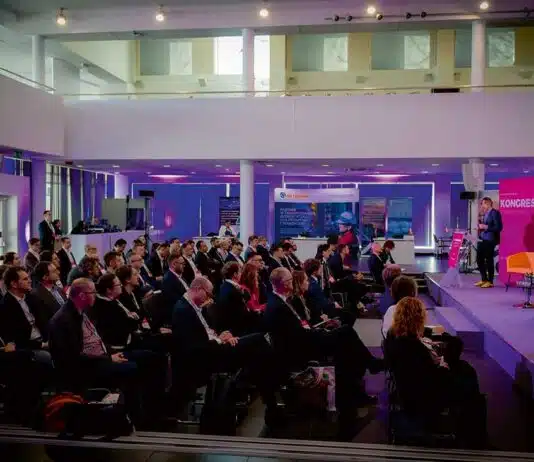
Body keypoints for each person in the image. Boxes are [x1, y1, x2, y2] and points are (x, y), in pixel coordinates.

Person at [264, 268, 384, 439]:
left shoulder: (280, 301)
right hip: (301, 351)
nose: (293, 283)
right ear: (284, 283)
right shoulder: (277, 307)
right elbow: (296, 337)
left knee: (346, 344)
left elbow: (298, 330)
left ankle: (355, 395)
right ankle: (368, 369)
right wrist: (318, 332)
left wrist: (317, 329)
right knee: (345, 334)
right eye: (290, 280)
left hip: (305, 341)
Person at [171, 276, 280, 424]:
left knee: (259, 348)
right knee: (259, 344)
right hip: (206, 357)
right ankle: (269, 399)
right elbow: (193, 347)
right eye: (208, 294)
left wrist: (221, 336)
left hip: (215, 347)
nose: (209, 298)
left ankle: (266, 399)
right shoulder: (183, 311)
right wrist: (220, 341)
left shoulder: (193, 307)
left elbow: (207, 333)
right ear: (198, 289)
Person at [383, 297, 483, 446]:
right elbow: (430, 379)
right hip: (422, 397)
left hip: (410, 390)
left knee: (464, 368)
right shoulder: (413, 347)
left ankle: (469, 428)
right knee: (468, 377)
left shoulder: (394, 338)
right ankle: (473, 434)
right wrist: (442, 366)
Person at [476, 197, 503, 288]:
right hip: (482, 239)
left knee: (489, 260)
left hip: (490, 240)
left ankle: (490, 281)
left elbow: (499, 227)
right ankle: (484, 279)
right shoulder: (485, 213)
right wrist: (480, 227)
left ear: (488, 204)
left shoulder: (495, 213)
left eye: (483, 203)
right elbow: (485, 226)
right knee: (479, 259)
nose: (482, 206)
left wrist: (486, 227)